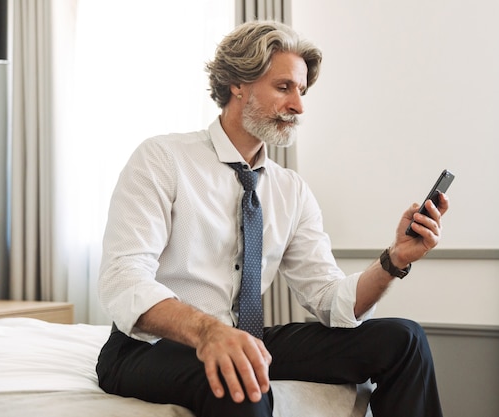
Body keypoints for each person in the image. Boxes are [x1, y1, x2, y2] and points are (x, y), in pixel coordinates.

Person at [96, 20, 448, 417]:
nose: (298, 106)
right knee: (238, 379)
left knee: (405, 339)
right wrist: (208, 332)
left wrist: (394, 259)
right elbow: (123, 279)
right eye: (284, 88)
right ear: (238, 84)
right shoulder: (163, 158)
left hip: (244, 338)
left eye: (301, 90)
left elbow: (330, 300)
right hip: (147, 348)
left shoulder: (290, 190)